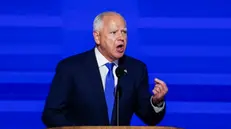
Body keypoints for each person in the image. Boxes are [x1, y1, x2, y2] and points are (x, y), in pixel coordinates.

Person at [41, 11, 168, 128]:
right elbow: (51, 114)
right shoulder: (70, 68)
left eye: (124, 32)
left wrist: (157, 102)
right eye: (114, 33)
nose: (121, 38)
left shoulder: (136, 69)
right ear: (97, 37)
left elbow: (150, 118)